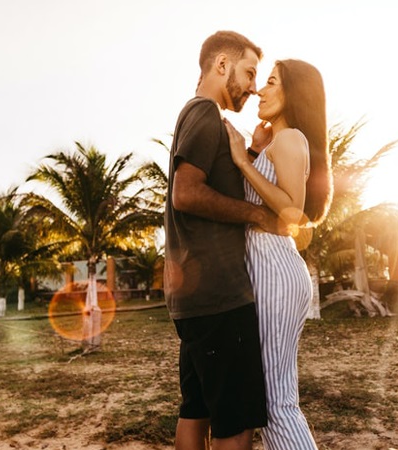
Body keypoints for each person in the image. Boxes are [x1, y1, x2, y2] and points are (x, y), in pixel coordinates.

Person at [164, 31, 282, 450]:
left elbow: (214, 184)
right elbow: (187, 193)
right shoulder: (203, 113)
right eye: (249, 72)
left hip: (197, 301)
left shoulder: (202, 118)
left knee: (195, 411)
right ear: (221, 65)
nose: (253, 85)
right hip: (219, 298)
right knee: (235, 424)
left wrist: (251, 153)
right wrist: (258, 215)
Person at [225, 59, 333, 450]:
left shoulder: (291, 139)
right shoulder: (276, 142)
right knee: (274, 396)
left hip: (274, 268)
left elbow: (292, 210)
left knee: (274, 402)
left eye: (270, 82)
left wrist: (241, 160)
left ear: (293, 94)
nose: (259, 90)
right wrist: (254, 151)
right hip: (271, 264)